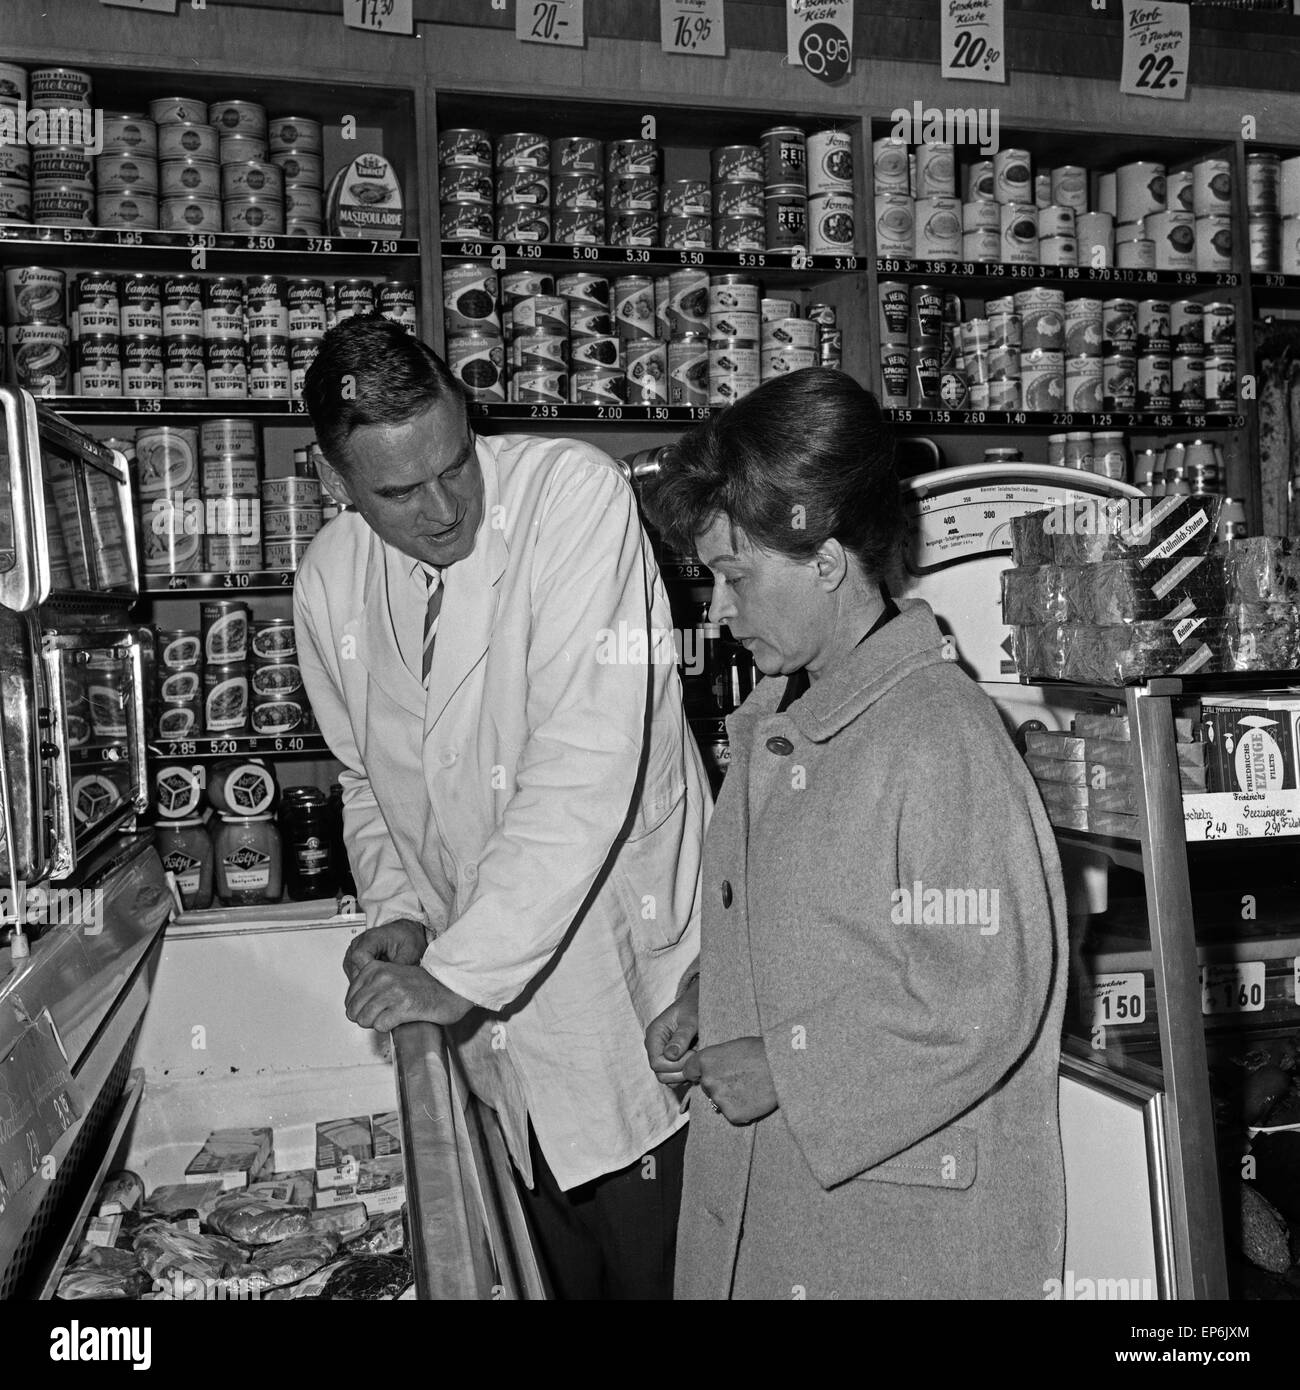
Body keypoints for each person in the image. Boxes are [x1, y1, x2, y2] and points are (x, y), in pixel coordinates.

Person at [294, 315, 710, 1299]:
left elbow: (583, 768)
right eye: (399, 491)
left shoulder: (570, 494)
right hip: (491, 1038)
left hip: (627, 1006)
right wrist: (397, 907)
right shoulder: (329, 581)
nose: (443, 508)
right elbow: (365, 778)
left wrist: (459, 973)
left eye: (454, 463)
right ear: (333, 482)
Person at [642, 367, 1068, 1300]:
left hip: (890, 1242)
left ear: (827, 561)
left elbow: (976, 1004)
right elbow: (835, 926)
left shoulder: (936, 736)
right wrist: (715, 993)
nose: (716, 614)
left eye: (733, 577)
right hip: (798, 1211)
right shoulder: (784, 710)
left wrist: (785, 1071)